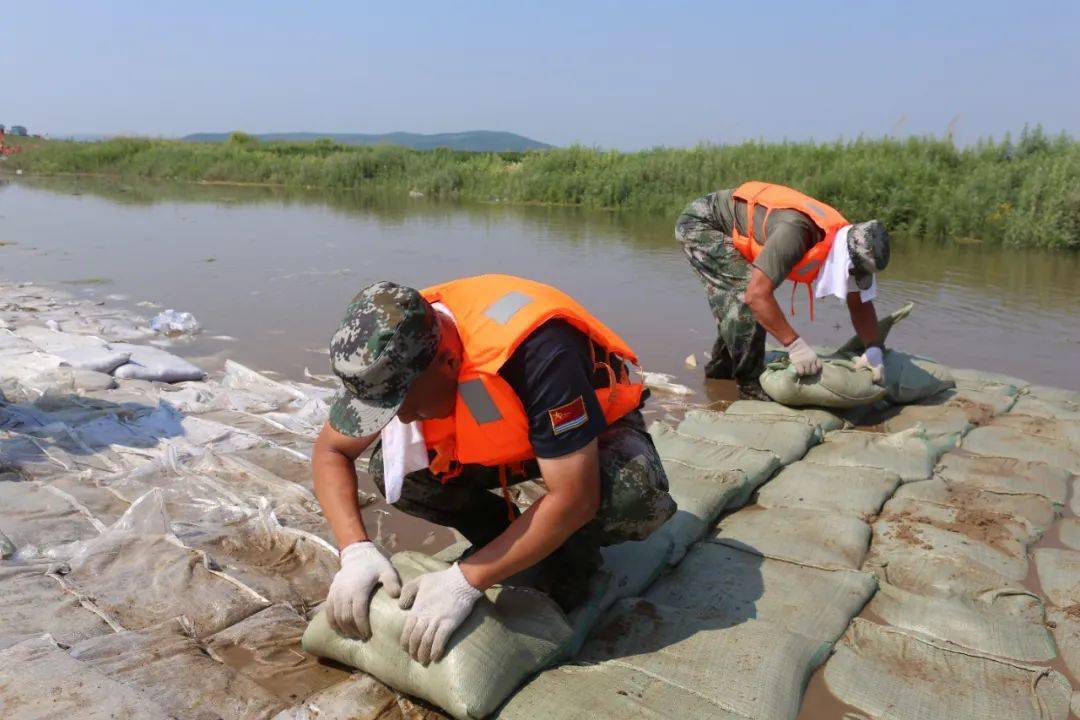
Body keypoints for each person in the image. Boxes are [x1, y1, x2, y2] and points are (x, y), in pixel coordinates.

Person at [311, 274, 675, 665]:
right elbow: (332, 451)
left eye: (403, 405)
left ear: (449, 363)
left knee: (630, 497)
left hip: (591, 430)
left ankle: (572, 556)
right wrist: (356, 550)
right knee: (394, 471)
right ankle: (501, 539)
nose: (398, 418)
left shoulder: (540, 353)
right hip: (500, 430)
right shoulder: (386, 351)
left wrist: (464, 581)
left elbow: (576, 497)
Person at [675, 181, 892, 398]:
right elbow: (756, 296)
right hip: (701, 223)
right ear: (846, 262)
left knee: (736, 304)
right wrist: (795, 345)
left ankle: (719, 373)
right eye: (855, 273)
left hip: (738, 227)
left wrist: (873, 349)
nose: (854, 278)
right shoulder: (796, 233)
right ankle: (750, 387)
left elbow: (859, 301)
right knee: (744, 295)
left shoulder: (852, 245)